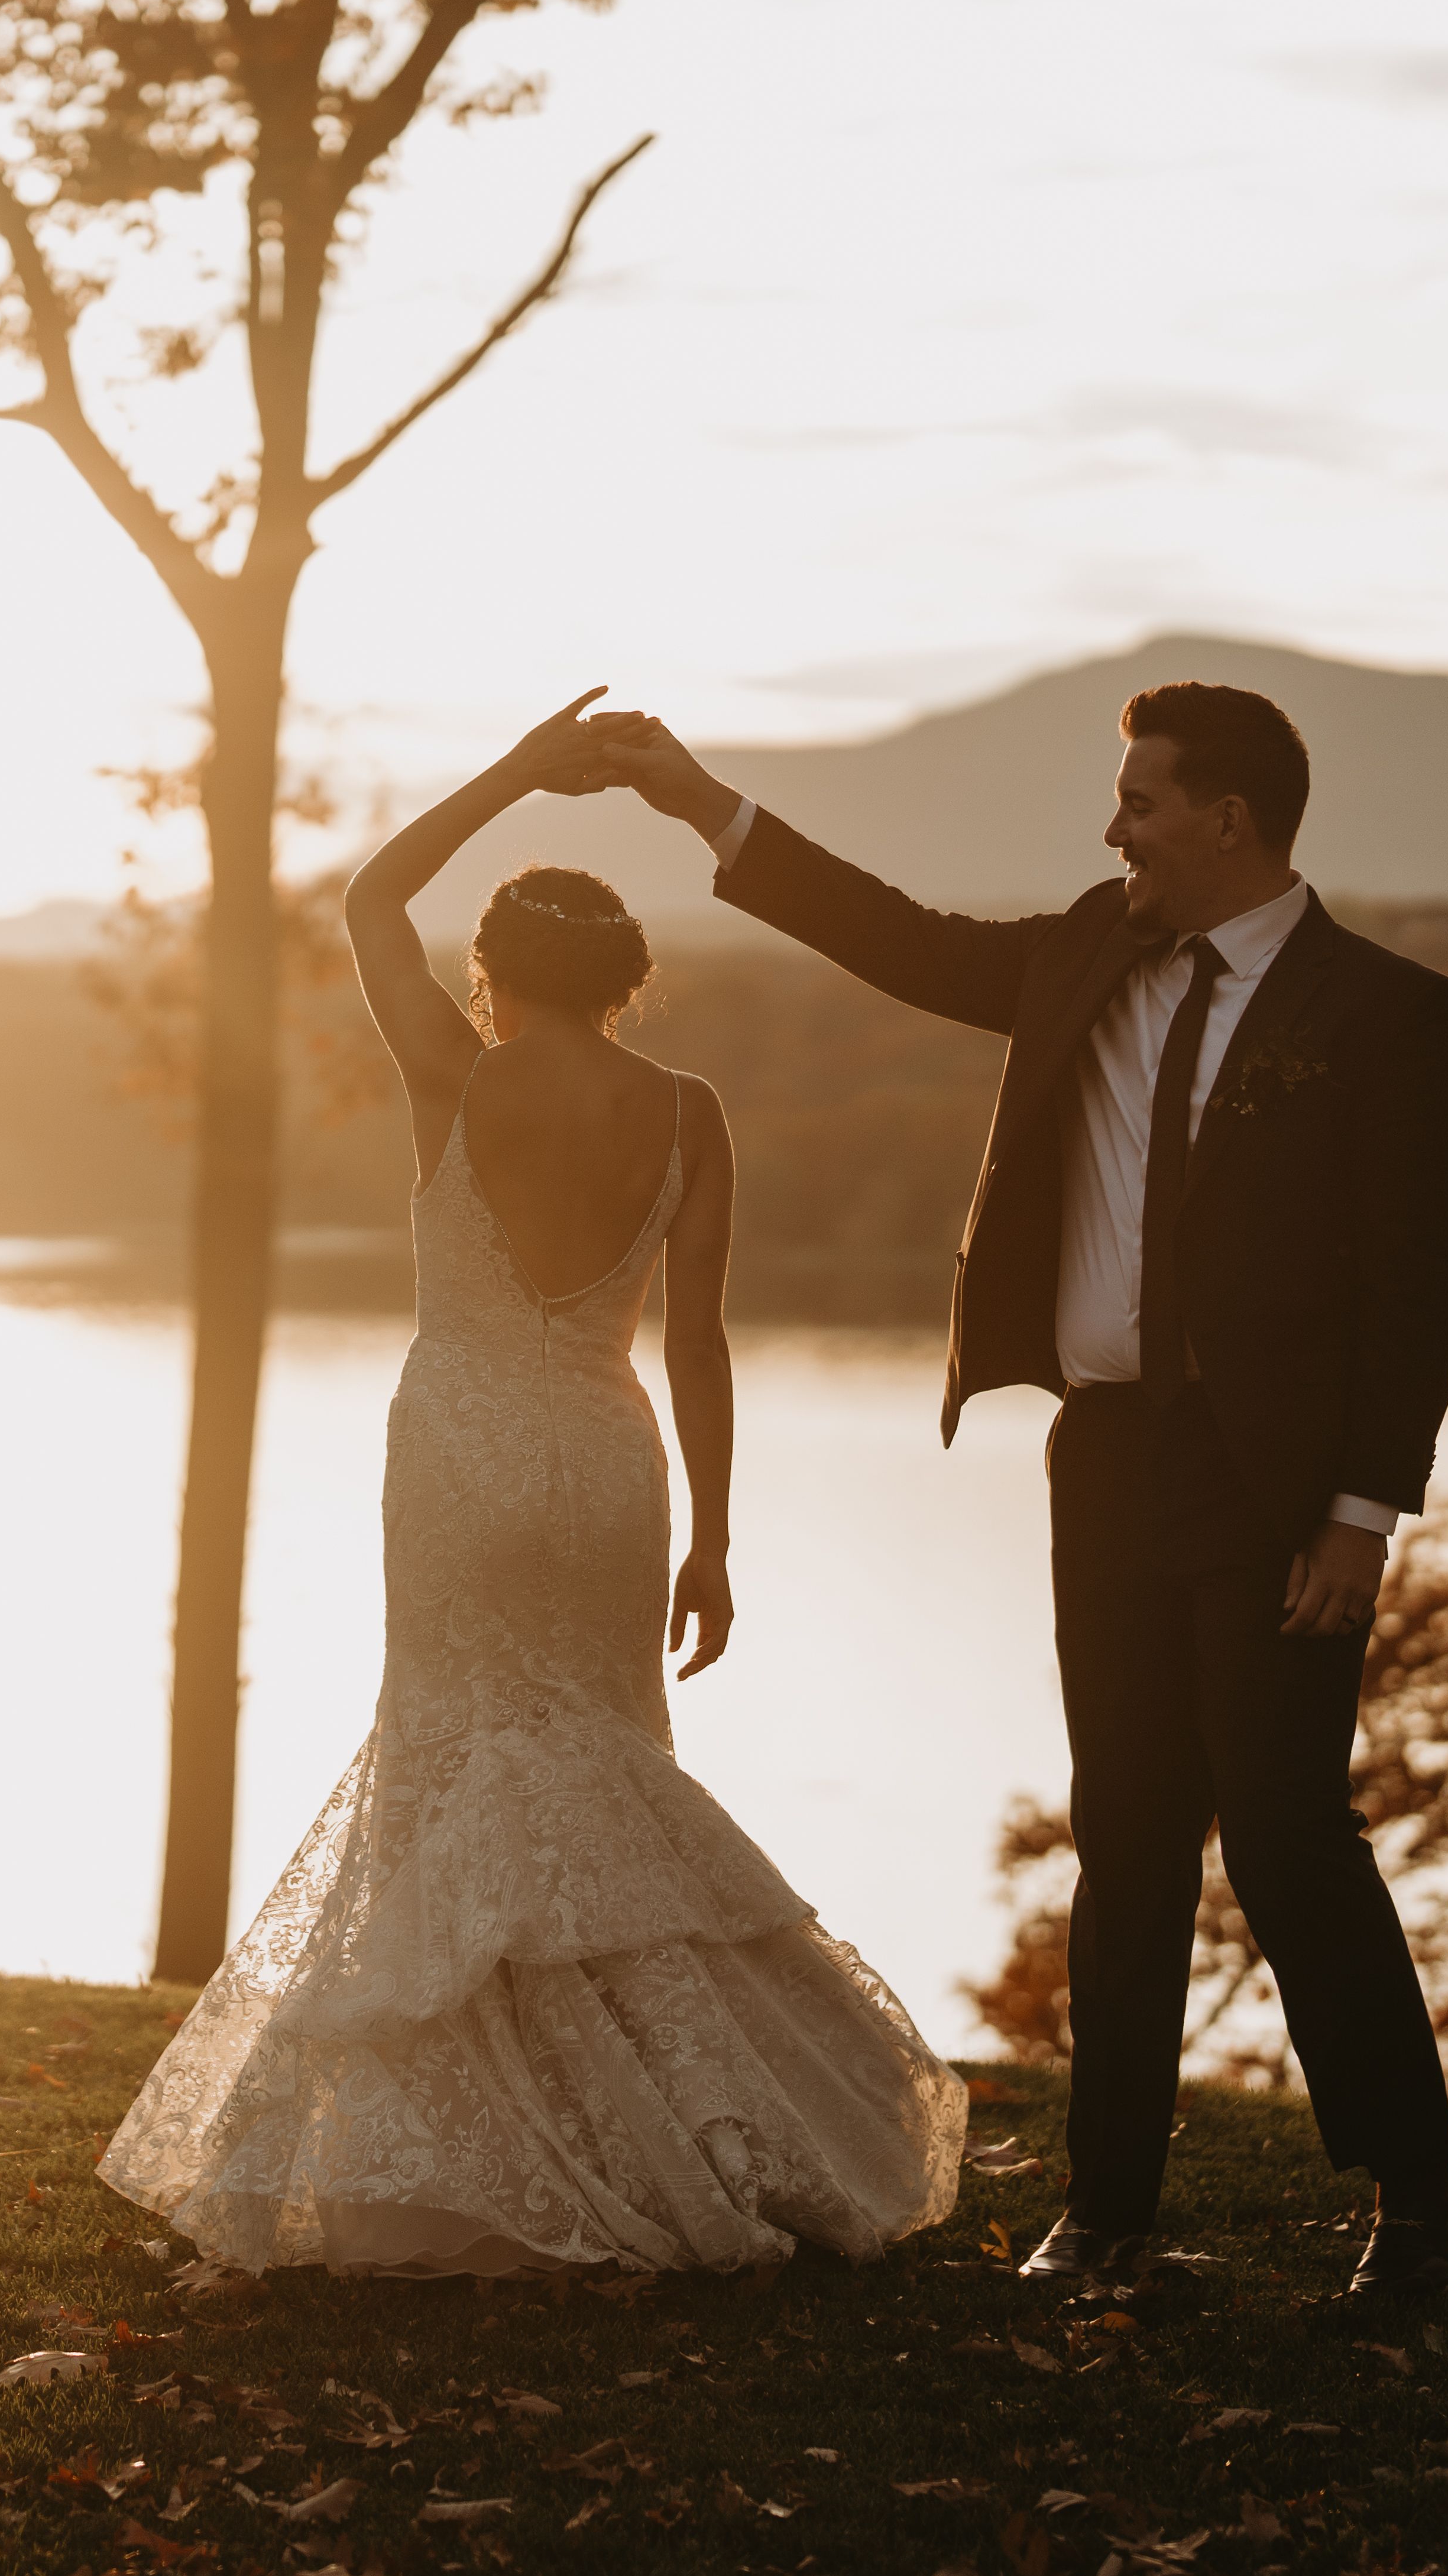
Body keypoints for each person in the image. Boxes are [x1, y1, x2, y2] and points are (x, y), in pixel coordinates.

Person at [594, 681, 1448, 2300]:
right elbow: (898, 936)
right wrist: (696, 803)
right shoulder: (1084, 952)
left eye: (1138, 801)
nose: (1111, 827)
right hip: (1111, 1460)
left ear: (1228, 821)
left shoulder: (1384, 1014)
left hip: (1276, 1484)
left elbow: (1416, 1283)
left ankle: (1412, 2194)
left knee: (1286, 1835)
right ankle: (1111, 2211)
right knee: (1126, 1833)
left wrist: (1361, 1514)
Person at [98, 691, 969, 2273]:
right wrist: (714, 1539)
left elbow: (367, 899)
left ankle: (485, 2147)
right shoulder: (690, 1116)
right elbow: (694, 1344)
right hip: (607, 1462)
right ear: (630, 985)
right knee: (600, 1767)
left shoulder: (450, 1071)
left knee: (450, 1758)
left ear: (490, 975)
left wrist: (514, 768)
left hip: (460, 1451)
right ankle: (673, 2113)